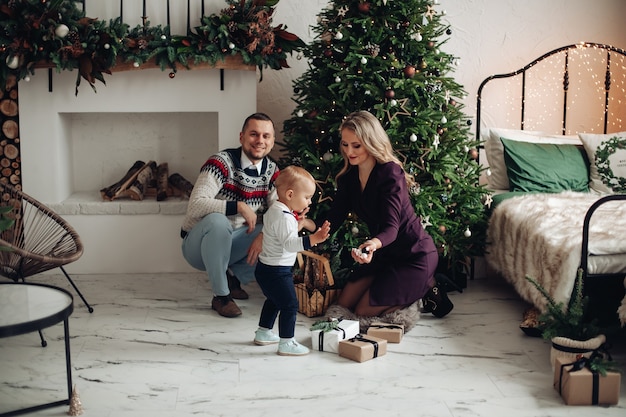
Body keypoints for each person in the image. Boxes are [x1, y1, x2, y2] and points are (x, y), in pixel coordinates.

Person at [315, 110, 453, 319]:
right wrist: (305, 224)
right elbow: (334, 218)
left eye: (356, 145)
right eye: (345, 144)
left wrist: (372, 245)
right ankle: (415, 288)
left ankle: (425, 288)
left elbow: (392, 228)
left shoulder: (390, 173)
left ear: (370, 142)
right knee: (343, 304)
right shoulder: (349, 177)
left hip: (413, 255)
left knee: (362, 312)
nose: (349, 151)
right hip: (384, 256)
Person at [180, 112, 279, 318]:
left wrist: (263, 235)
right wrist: (239, 206)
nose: (260, 141)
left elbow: (279, 211)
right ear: (241, 136)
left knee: (281, 227)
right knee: (218, 221)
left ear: (272, 141)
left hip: (234, 242)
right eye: (254, 134)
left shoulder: (271, 171)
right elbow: (195, 205)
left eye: (266, 136)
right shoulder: (221, 162)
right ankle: (221, 296)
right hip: (198, 245)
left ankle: (233, 278)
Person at [253, 166, 331, 356]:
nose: (309, 201)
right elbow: (289, 244)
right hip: (277, 272)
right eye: (306, 197)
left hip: (266, 269)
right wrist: (314, 239)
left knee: (273, 300)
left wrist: (296, 224)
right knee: (290, 305)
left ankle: (263, 332)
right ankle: (286, 342)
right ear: (290, 194)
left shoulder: (276, 211)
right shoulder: (284, 217)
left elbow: (281, 236)